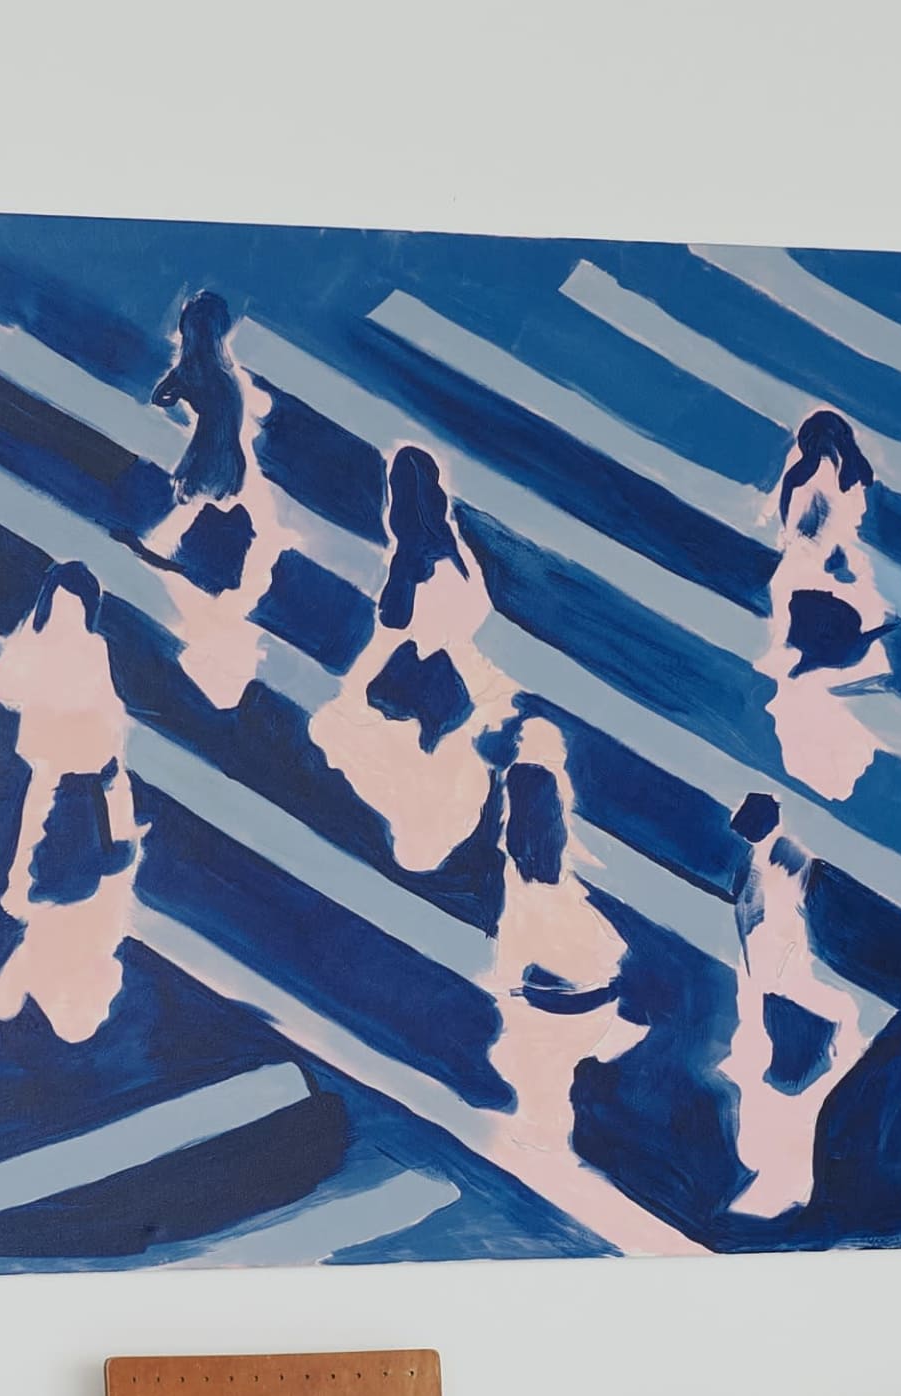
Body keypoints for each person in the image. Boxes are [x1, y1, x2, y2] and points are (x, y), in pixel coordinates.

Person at [311, 441, 517, 869]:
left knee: (332, 728)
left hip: (428, 680)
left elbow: (400, 635)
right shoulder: (452, 561)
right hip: (435, 680)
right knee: (334, 728)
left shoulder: (421, 567)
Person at [0, 562, 140, 1043]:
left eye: (80, 607)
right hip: (77, 796)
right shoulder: (87, 931)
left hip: (78, 790)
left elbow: (104, 720)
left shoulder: (88, 651)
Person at [477, 716, 643, 1170]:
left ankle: (545, 1125)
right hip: (587, 975)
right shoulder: (548, 794)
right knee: (528, 1041)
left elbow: (518, 918)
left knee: (523, 1043)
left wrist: (508, 981)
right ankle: (558, 1107)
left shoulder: (523, 798)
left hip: (570, 984)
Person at [714, 792, 869, 1217]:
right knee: (778, 1064)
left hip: (776, 982)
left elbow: (766, 926)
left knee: (773, 1072)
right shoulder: (779, 858)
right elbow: (766, 920)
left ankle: (778, 1178)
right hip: (774, 981)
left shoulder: (774, 863)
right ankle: (777, 1174)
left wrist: (769, 983)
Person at [140, 289, 290, 710]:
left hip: (204, 461)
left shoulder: (194, 372)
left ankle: (206, 646)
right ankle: (210, 636)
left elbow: (160, 396)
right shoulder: (226, 373)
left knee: (186, 549)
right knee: (209, 549)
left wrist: (183, 395)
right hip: (231, 464)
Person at [753, 409, 891, 800]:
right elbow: (844, 529)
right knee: (812, 668)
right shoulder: (853, 477)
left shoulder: (802, 475)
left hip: (812, 577)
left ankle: (815, 729)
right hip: (835, 578)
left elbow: (796, 531)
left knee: (800, 663)